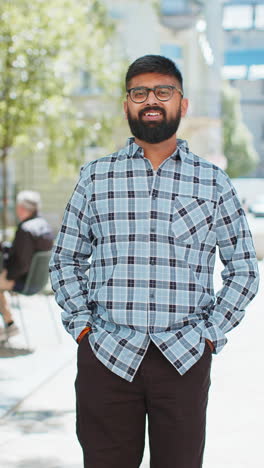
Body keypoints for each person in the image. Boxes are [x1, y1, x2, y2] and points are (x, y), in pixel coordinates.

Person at [49, 55, 259, 468]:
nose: (151, 100)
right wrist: (83, 329)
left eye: (163, 91)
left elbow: (244, 270)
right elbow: (65, 261)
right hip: (107, 355)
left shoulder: (212, 182)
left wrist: (211, 334)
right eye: (139, 92)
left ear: (183, 104)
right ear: (126, 105)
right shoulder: (96, 177)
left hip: (183, 357)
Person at [0, 190, 53, 341]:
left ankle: (9, 325)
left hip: (25, 281)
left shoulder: (25, 229)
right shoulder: (44, 226)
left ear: (22, 208)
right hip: (40, 281)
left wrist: (7, 276)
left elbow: (21, 264)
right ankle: (9, 324)